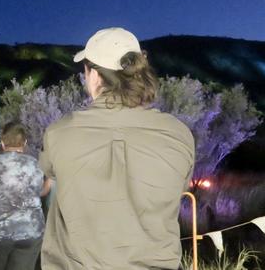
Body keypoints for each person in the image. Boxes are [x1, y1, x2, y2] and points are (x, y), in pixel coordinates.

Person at [39, 27, 195, 270]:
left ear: (93, 75)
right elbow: (180, 188)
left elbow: (49, 178)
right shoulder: (178, 134)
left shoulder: (60, 133)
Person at [0, 122, 51, 270]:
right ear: (25, 142)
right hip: (29, 232)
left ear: (2, 142)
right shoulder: (35, 165)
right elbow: (41, 192)